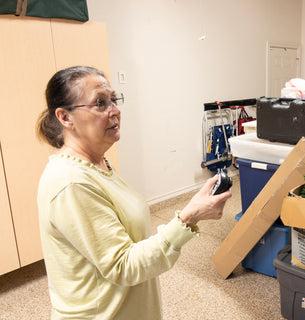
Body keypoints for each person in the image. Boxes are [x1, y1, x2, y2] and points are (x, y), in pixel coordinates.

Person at [36, 66, 232, 320]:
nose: (115, 111)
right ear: (65, 117)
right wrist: (188, 217)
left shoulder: (97, 164)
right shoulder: (71, 182)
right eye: (100, 103)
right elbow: (123, 266)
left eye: (114, 100)